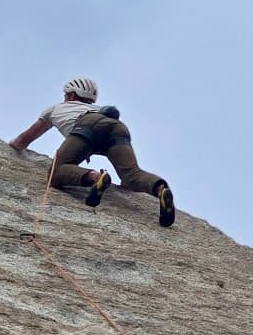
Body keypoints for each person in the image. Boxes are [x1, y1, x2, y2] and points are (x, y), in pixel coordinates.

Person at [9, 75, 175, 226]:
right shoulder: (98, 108)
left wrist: (12, 146)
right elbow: (126, 171)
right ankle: (160, 188)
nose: (65, 98)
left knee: (56, 172)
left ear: (71, 95)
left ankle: (96, 177)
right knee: (132, 175)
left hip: (86, 126)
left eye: (66, 95)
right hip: (117, 127)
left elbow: (24, 139)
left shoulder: (55, 109)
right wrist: (125, 183)